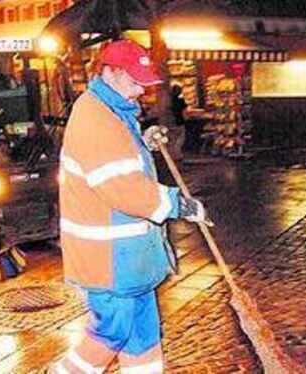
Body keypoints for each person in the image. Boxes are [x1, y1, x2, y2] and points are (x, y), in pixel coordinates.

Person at [52, 40, 210, 373]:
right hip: (107, 259)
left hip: (130, 256)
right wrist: (178, 204)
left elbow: (122, 160)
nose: (141, 89)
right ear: (110, 72)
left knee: (143, 334)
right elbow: (124, 188)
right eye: (135, 80)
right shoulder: (94, 118)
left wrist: (144, 140)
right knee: (113, 331)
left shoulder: (114, 111)